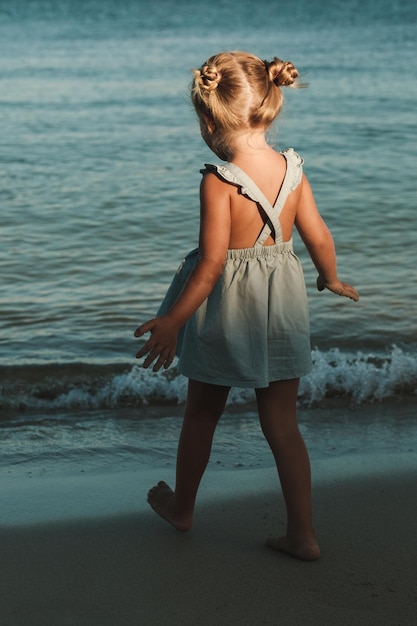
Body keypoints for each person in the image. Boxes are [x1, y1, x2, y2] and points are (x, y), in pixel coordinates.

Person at [134, 51, 359, 561]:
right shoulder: (293, 168)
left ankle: (183, 508)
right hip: (282, 302)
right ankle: (303, 534)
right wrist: (330, 277)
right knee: (282, 424)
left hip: (225, 311)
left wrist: (173, 320)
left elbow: (213, 265)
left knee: (202, 414)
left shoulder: (218, 180)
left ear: (209, 119)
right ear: (269, 107)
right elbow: (318, 235)